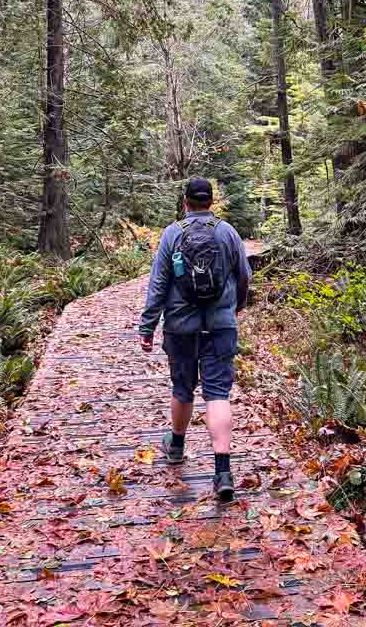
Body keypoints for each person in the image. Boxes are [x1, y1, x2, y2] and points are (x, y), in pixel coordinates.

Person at [138, 177, 251, 502]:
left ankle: (175, 445)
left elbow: (158, 283)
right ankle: (223, 472)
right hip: (220, 325)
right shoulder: (227, 232)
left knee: (182, 388)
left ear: (185, 202)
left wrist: (148, 326)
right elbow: (243, 276)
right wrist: (233, 308)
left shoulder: (173, 234)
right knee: (217, 393)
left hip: (180, 327)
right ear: (211, 202)